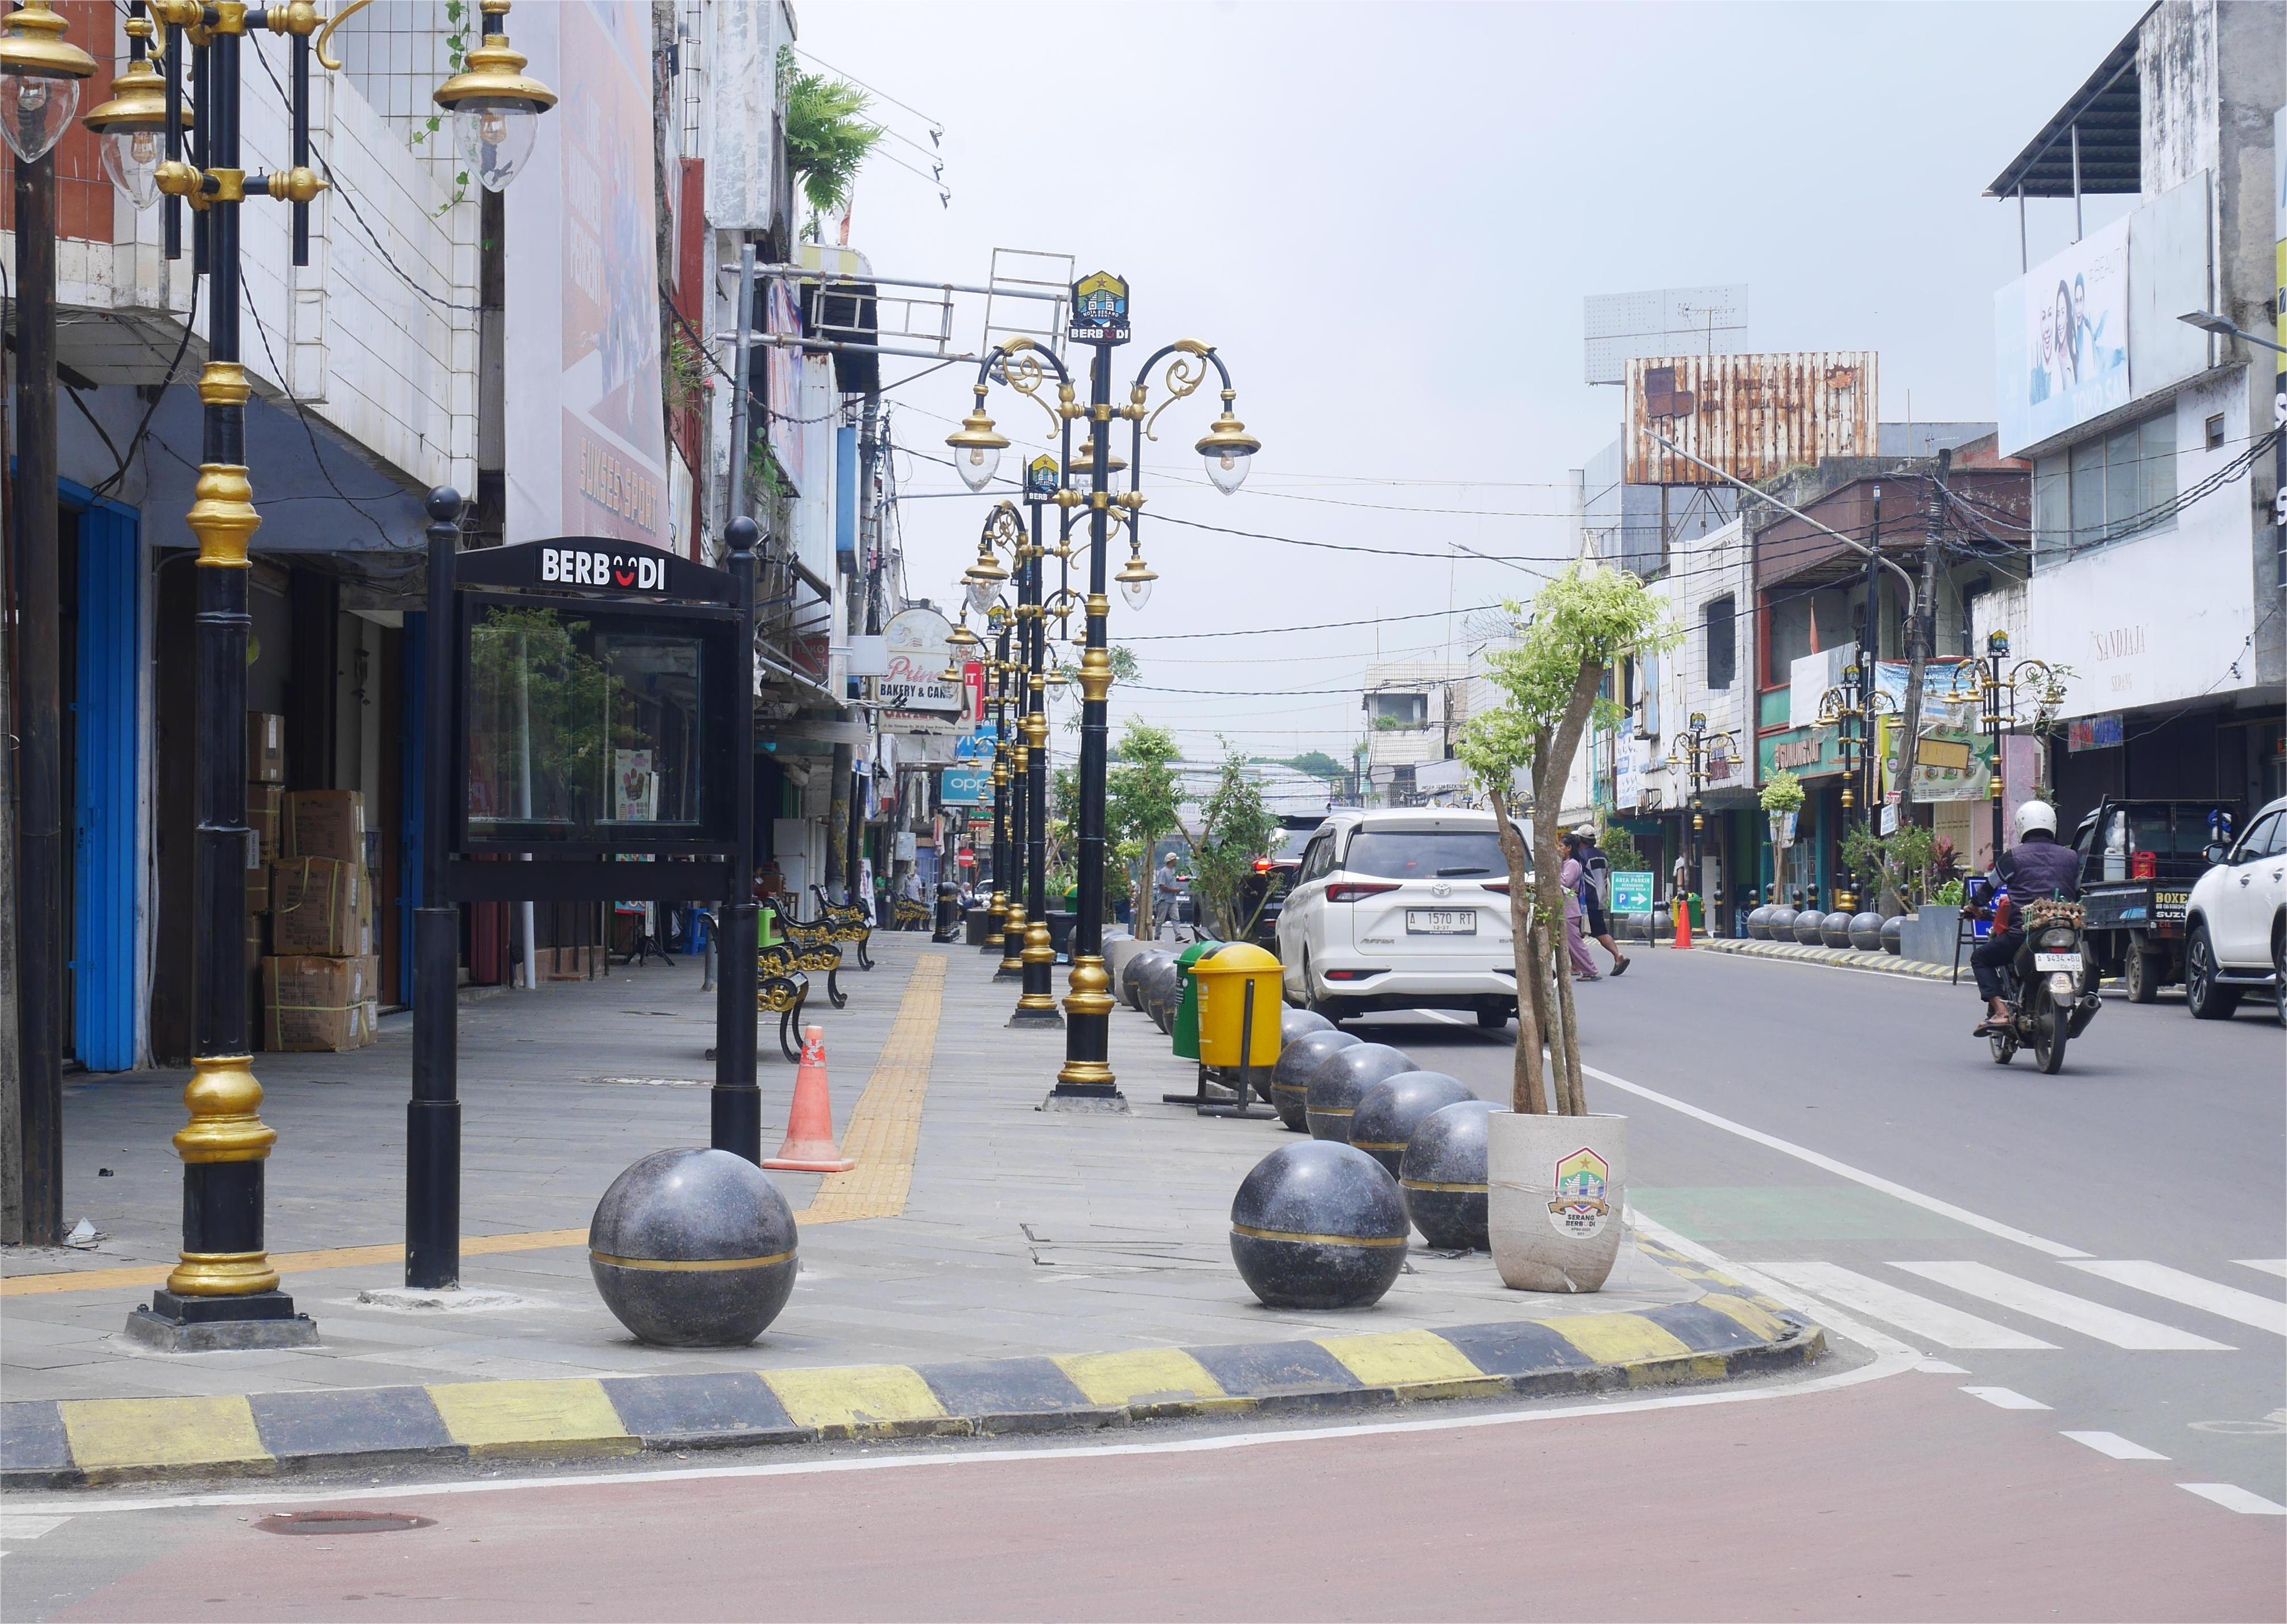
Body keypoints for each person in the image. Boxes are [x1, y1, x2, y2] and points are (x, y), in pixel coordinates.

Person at [1971, 799, 2081, 1036]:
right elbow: (2080, 891)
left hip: (2024, 935)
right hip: (2066, 933)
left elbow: (1988, 889)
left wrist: (1974, 906)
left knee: (1981, 958)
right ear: (2052, 825)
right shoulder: (2071, 857)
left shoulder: (2013, 857)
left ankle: (2001, 1011)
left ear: (2022, 826)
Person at [1570, 824, 1630, 976]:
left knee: (1573, 933)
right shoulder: (1603, 855)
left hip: (1585, 900)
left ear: (1580, 840)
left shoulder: (1581, 857)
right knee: (1600, 931)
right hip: (1600, 898)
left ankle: (1576, 965)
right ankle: (1617, 955)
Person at [1558, 840, 1601, 981]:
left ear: (1569, 848)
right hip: (1565, 908)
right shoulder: (1566, 863)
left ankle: (1590, 970)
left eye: (1561, 846)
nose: (1559, 849)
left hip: (1569, 909)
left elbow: (1564, 882)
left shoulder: (1572, 864)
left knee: (1575, 944)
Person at [1152, 851, 1193, 941]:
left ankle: (1178, 935)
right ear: (1171, 861)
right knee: (1161, 919)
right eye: (1175, 860)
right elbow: (1162, 886)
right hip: (1164, 900)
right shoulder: (1164, 872)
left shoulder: (1173, 871)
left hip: (1172, 900)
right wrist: (1174, 890)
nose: (1176, 862)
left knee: (1176, 918)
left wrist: (1176, 890)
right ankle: (1157, 935)